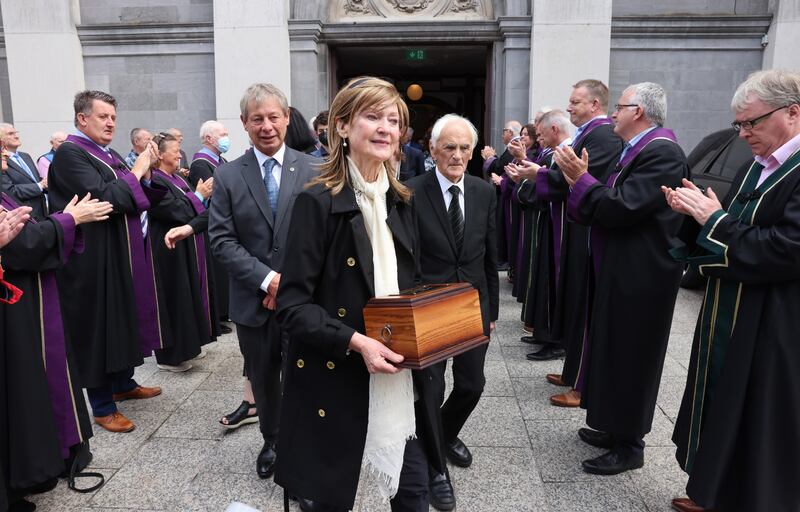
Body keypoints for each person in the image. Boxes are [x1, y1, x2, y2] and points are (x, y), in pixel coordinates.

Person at [275, 76, 443, 512]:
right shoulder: (317, 202)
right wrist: (358, 343)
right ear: (342, 127)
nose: (386, 128)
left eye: (394, 119)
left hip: (400, 381)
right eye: (373, 117)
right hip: (338, 377)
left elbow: (414, 287)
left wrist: (440, 324)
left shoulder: (402, 201)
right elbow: (293, 308)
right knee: (333, 499)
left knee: (413, 497)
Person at [664, 69, 800, 512]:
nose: (742, 134)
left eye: (751, 123)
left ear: (792, 113)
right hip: (732, 307)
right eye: (738, 124)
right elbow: (730, 232)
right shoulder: (754, 166)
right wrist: (692, 212)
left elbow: (786, 249)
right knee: (724, 403)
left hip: (775, 319)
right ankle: (714, 489)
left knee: (757, 414)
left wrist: (715, 220)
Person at [555, 81, 688, 476]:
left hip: (643, 275)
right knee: (613, 348)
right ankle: (613, 427)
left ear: (640, 113)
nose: (613, 113)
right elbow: (609, 201)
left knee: (633, 355)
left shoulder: (663, 153)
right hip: (622, 267)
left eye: (621, 107)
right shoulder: (639, 150)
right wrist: (581, 181)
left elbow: (624, 206)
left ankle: (630, 444)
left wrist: (581, 179)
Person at [209, 83, 318, 480]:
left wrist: (293, 283)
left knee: (306, 373)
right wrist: (269, 280)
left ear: (287, 118)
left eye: (274, 117)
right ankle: (272, 440)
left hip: (305, 300)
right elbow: (221, 240)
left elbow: (324, 236)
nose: (267, 126)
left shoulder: (314, 169)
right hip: (254, 303)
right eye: (258, 119)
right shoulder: (227, 176)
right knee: (264, 377)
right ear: (244, 124)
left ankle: (304, 438)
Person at [1, 144, 113, 510]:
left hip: (31, 300)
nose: (5, 153)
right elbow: (23, 246)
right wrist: (70, 220)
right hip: (17, 307)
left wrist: (62, 218)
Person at [48, 90, 166, 434]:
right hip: (91, 259)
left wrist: (146, 173)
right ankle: (101, 405)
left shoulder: (106, 152)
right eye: (103, 117)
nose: (111, 122)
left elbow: (132, 195)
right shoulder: (70, 155)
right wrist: (138, 170)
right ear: (82, 119)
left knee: (121, 318)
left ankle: (122, 382)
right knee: (98, 326)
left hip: (119, 251)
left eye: (113, 116)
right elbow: (106, 199)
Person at [406, 114, 499, 512]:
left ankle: (440, 434)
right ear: (433, 150)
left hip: (472, 304)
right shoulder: (410, 192)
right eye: (450, 147)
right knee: (430, 387)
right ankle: (435, 468)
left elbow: (489, 255)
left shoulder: (483, 192)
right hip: (429, 306)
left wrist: (490, 308)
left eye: (465, 148)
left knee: (472, 385)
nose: (457, 155)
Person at [536, 80, 623, 406]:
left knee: (584, 303)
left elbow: (582, 178)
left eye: (575, 102)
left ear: (595, 105)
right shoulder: (591, 133)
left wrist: (540, 176)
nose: (569, 107)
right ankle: (573, 370)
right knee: (577, 302)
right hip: (578, 224)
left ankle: (580, 380)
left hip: (588, 228)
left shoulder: (601, 135)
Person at [149, 132, 219, 372]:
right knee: (173, 298)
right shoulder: (155, 181)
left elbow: (189, 208)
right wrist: (200, 195)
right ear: (159, 155)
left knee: (187, 296)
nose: (180, 154)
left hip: (184, 244)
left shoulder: (176, 178)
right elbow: (176, 210)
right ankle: (170, 356)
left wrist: (197, 197)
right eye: (175, 150)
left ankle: (190, 346)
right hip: (167, 247)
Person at [507, 110, 573, 357]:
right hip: (550, 221)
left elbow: (558, 186)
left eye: (541, 132)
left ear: (554, 129)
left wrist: (529, 178)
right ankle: (545, 333)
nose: (538, 137)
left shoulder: (566, 152)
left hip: (560, 223)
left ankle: (555, 340)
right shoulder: (555, 154)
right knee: (545, 277)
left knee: (552, 279)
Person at [188, 120, 232, 335]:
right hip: (211, 223)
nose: (226, 137)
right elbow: (211, 195)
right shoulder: (200, 163)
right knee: (216, 272)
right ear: (209, 138)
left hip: (224, 221)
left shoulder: (219, 159)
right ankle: (218, 315)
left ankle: (224, 312)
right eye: (222, 134)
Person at [481, 120, 521, 270]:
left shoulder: (513, 146)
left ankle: (502, 259)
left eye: (504, 130)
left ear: (510, 133)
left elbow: (499, 168)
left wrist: (490, 158)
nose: (502, 134)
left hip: (508, 196)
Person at [0, 123, 49, 220]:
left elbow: (34, 181)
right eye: (11, 133)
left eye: (16, 133)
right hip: (23, 217)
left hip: (42, 212)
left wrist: (48, 182)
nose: (16, 136)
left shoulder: (25, 156)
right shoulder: (2, 162)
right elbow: (9, 190)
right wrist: (40, 186)